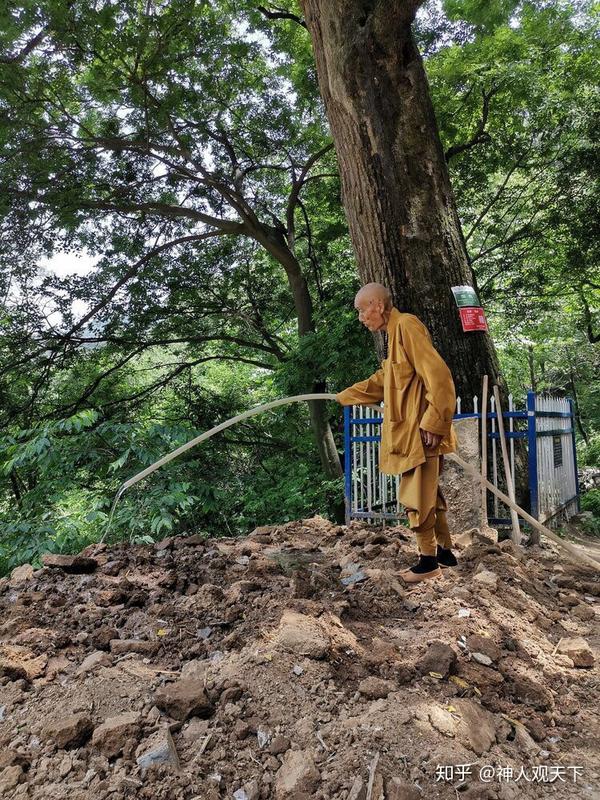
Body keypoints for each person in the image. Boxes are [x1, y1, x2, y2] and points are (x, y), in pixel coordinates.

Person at [336, 283, 459, 583]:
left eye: (362, 310)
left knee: (416, 496)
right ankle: (444, 552)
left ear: (377, 305)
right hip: (412, 434)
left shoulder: (406, 326)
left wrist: (434, 421)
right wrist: (345, 396)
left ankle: (427, 562)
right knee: (431, 494)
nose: (361, 317)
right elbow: (385, 380)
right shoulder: (394, 337)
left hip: (419, 433)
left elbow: (439, 375)